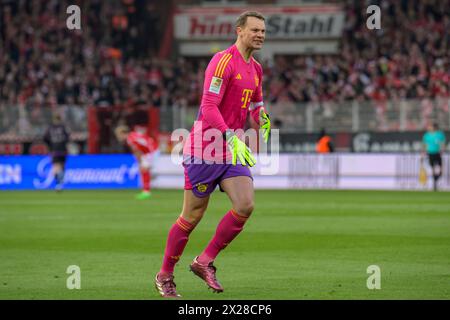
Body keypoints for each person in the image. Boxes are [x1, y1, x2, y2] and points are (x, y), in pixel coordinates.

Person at [154, 11, 271, 298]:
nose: (260, 35)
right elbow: (208, 106)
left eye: (263, 31)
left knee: (245, 205)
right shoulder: (222, 61)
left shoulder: (255, 68)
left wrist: (262, 117)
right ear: (239, 31)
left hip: (231, 150)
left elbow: (255, 104)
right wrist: (231, 135)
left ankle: (204, 261)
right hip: (205, 148)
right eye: (255, 30)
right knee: (191, 216)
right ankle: (165, 276)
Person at [115, 125, 159, 199]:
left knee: (144, 169)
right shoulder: (133, 134)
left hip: (151, 151)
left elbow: (137, 151)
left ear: (123, 133)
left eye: (119, 134)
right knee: (144, 170)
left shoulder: (130, 139)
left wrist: (139, 161)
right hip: (150, 151)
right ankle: (146, 190)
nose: (119, 137)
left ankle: (146, 192)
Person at [43, 113, 70, 191]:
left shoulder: (50, 128)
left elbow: (45, 138)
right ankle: (60, 182)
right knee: (61, 167)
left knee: (56, 167)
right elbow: (68, 137)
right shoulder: (63, 128)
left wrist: (50, 146)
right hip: (62, 150)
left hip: (54, 150)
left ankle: (58, 183)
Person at [422, 122, 446, 191]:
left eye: (430, 126)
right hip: (430, 153)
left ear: (434, 127)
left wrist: (442, 149)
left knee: (440, 168)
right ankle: (434, 183)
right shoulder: (426, 135)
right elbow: (424, 144)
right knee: (432, 168)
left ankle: (437, 177)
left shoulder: (440, 134)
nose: (429, 128)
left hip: (437, 153)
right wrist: (423, 152)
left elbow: (443, 143)